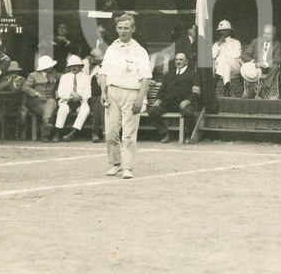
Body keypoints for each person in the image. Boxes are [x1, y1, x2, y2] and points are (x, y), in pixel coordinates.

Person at [98, 12, 153, 179]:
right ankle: (115, 164)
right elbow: (104, 73)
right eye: (120, 28)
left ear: (133, 29)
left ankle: (128, 167)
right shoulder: (111, 49)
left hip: (131, 93)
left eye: (126, 28)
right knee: (111, 132)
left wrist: (140, 98)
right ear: (116, 29)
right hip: (112, 92)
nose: (123, 31)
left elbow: (146, 78)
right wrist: (103, 92)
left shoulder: (139, 50)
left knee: (129, 133)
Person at [145, 51, 200, 143]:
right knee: (152, 111)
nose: (178, 62)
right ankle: (166, 133)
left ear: (186, 61)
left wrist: (187, 101)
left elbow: (196, 92)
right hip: (168, 103)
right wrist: (157, 99)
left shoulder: (193, 74)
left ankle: (188, 134)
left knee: (188, 113)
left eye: (181, 60)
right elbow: (161, 89)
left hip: (183, 104)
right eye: (177, 60)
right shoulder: (169, 74)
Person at [241, 24, 281, 99]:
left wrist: (265, 63)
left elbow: (278, 59)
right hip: (256, 67)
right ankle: (250, 90)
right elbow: (245, 55)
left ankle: (264, 90)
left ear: (273, 35)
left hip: (268, 67)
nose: (266, 36)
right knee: (251, 66)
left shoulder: (277, 44)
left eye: (268, 34)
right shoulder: (256, 41)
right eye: (264, 33)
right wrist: (254, 62)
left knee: (275, 66)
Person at [55, 54, 92, 142]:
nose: (73, 67)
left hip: (80, 101)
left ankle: (73, 133)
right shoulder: (64, 77)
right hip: (67, 101)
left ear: (80, 67)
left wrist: (80, 96)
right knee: (63, 109)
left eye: (76, 66)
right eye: (71, 66)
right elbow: (60, 92)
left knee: (85, 109)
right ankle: (57, 133)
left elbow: (88, 93)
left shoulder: (86, 78)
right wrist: (71, 94)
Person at [22, 55, 60, 143]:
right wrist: (35, 93)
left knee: (51, 102)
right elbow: (25, 87)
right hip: (36, 103)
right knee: (50, 107)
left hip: (49, 102)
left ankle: (45, 125)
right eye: (50, 66)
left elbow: (65, 76)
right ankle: (45, 129)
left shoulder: (54, 74)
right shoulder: (33, 75)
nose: (52, 67)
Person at [0, 61, 27, 140]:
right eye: (11, 72)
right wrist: (9, 81)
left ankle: (21, 134)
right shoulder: (4, 79)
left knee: (23, 114)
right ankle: (4, 133)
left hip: (19, 104)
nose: (13, 73)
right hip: (5, 105)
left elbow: (17, 90)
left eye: (15, 71)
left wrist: (14, 82)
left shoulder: (22, 79)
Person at [212, 20, 243, 96]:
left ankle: (215, 81)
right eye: (220, 31)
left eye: (224, 30)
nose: (222, 32)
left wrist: (224, 55)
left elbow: (237, 55)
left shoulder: (236, 42)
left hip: (234, 66)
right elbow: (213, 55)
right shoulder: (217, 44)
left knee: (225, 60)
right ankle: (227, 88)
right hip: (223, 67)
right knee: (225, 64)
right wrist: (219, 44)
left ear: (229, 31)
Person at [85, 49, 105, 142]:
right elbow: (93, 89)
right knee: (99, 102)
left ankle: (95, 132)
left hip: (108, 98)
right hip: (95, 97)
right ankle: (104, 132)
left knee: (100, 103)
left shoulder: (111, 69)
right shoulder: (95, 70)